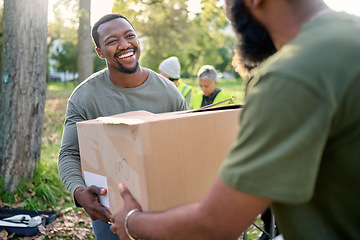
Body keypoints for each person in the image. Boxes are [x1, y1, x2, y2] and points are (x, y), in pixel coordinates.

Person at [109, 0, 360, 239]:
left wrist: (131, 221)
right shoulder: (349, 34)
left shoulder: (291, 75)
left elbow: (215, 225)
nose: (228, 15)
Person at [58, 14, 188, 240]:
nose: (125, 45)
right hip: (111, 209)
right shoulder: (84, 97)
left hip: (165, 205)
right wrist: (79, 192)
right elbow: (69, 154)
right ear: (100, 52)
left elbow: (187, 147)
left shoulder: (169, 94)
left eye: (130, 36)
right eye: (112, 41)